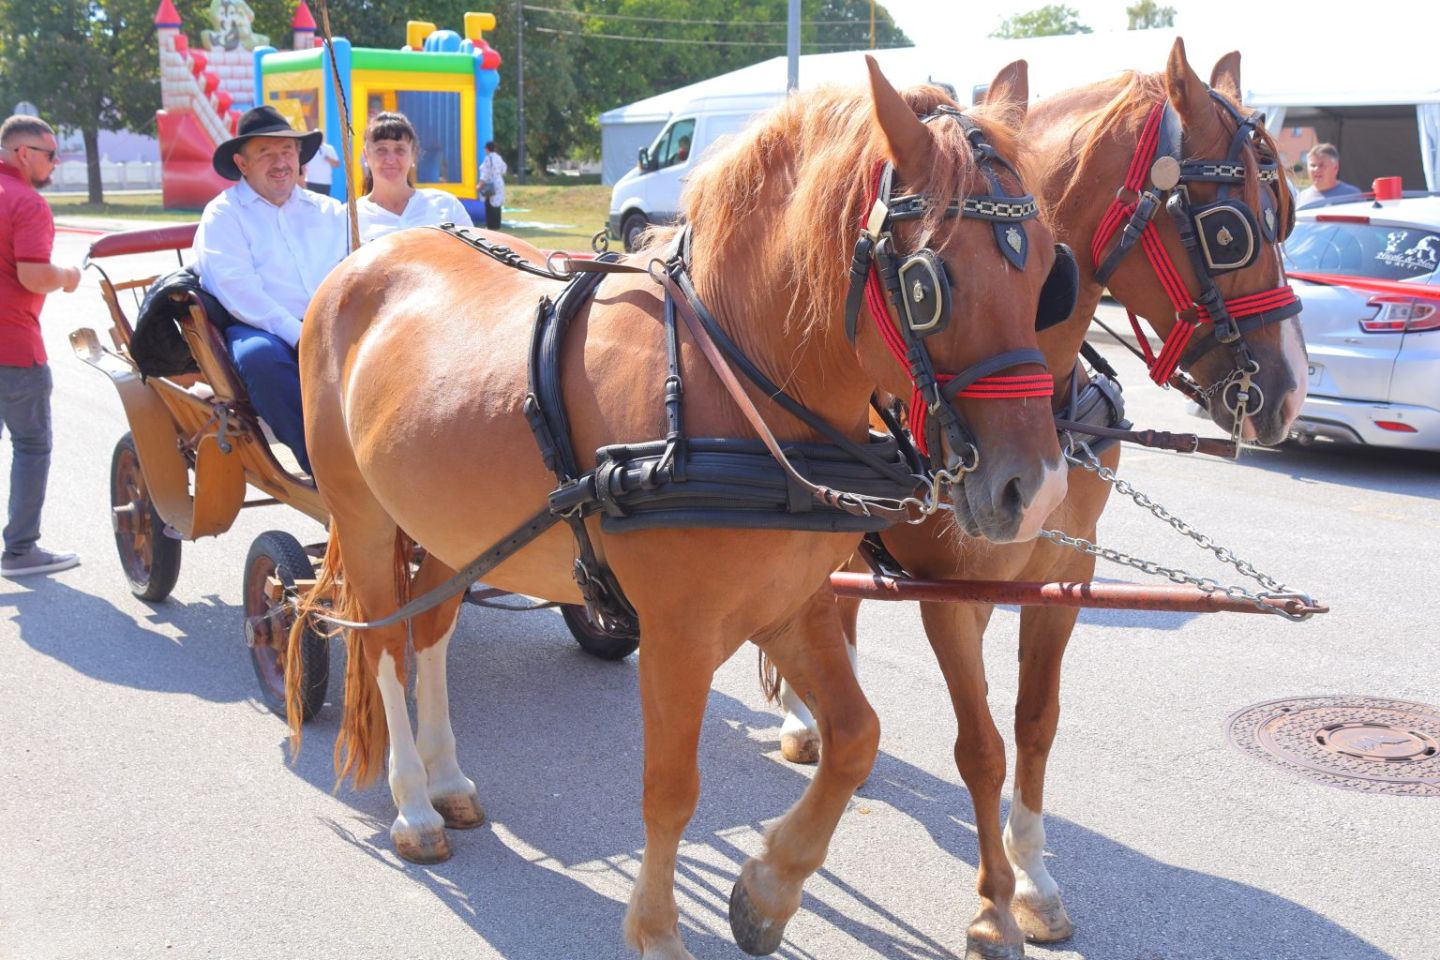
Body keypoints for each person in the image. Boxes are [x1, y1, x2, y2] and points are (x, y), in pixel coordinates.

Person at [193, 105, 348, 476]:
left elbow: (359, 265)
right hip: (261, 327)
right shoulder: (224, 215)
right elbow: (240, 292)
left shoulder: (331, 211)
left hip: (335, 321)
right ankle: (326, 469)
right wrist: (301, 336)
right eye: (265, 153)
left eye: (287, 151)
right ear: (242, 164)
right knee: (260, 359)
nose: (280, 163)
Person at [0, 115, 82, 576]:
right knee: (31, 446)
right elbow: (33, 275)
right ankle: (20, 551)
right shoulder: (26, 202)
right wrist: (68, 277)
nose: (55, 162)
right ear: (23, 153)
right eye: (50, 154)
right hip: (12, 348)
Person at [355, 111, 471, 243]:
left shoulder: (446, 205)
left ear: (413, 155)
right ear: (366, 155)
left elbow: (476, 254)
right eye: (381, 150)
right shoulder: (350, 217)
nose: (390, 159)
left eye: (400, 150)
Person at [1297, 143, 1362, 208]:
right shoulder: (1300, 199)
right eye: (1313, 165)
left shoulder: (1352, 196)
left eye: (1321, 165)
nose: (1316, 169)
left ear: (1335, 168)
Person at [477, 140, 507, 230]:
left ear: (487, 149)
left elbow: (485, 173)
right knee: (497, 204)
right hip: (499, 182)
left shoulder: (488, 158)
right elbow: (504, 169)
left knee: (489, 203)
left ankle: (490, 225)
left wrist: (480, 185)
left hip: (490, 183)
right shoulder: (498, 157)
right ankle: (497, 225)